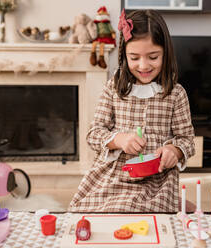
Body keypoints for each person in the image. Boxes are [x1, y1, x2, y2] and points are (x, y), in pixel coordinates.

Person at [69, 9, 195, 212]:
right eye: (134, 57)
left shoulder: (176, 93)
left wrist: (175, 151)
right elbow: (93, 134)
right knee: (94, 212)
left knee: (144, 214)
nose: (143, 65)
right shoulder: (114, 87)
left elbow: (187, 139)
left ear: (166, 53)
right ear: (124, 55)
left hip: (157, 180)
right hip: (114, 175)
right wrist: (119, 140)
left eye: (153, 57)